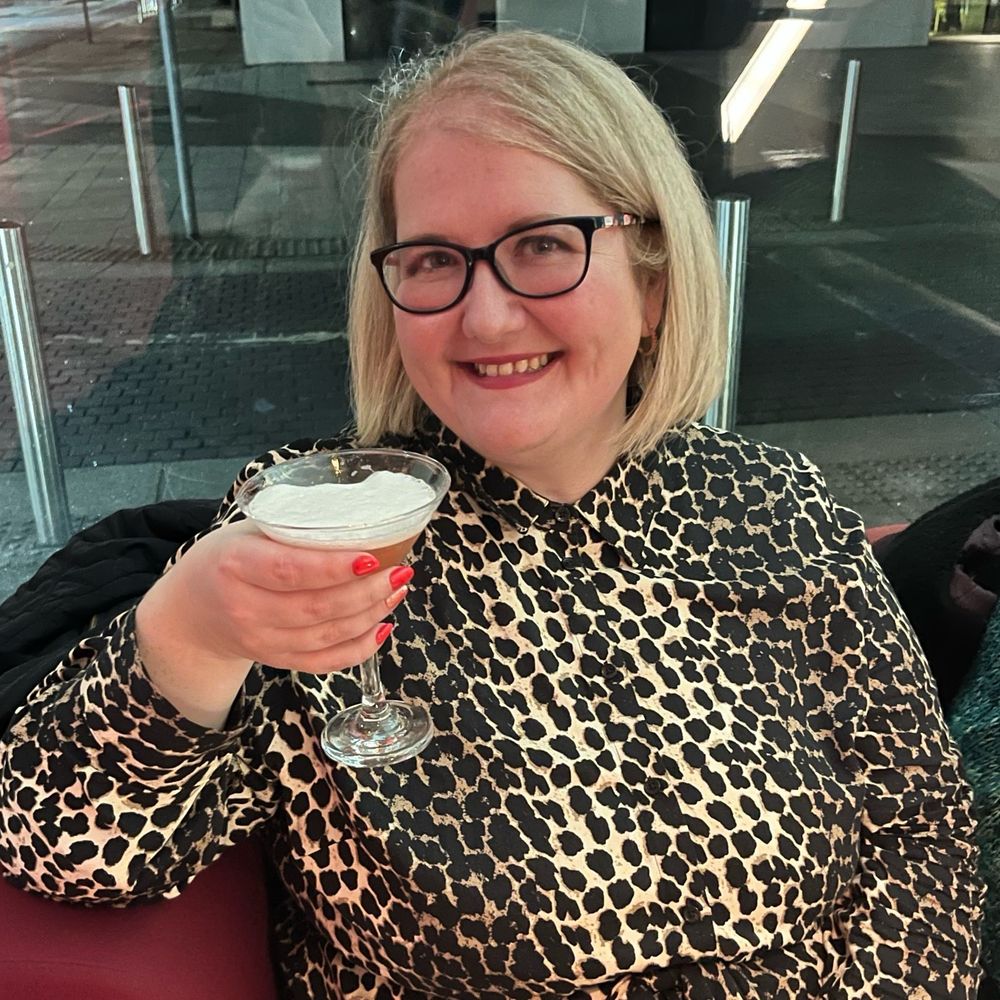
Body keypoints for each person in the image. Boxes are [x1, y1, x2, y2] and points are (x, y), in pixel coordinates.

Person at [0, 29, 985, 999]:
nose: (485, 316)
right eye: (432, 260)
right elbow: (66, 848)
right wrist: (192, 628)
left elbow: (919, 825)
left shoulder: (775, 503)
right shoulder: (314, 524)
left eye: (544, 244)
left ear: (651, 279)